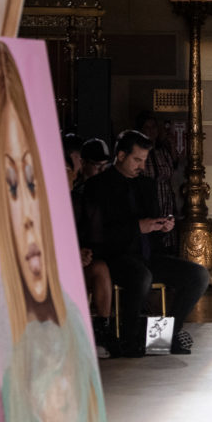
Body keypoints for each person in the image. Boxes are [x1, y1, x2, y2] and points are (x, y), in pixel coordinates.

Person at [0, 41, 114, 422]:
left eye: (31, 180)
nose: (26, 213)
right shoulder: (0, 308)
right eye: (10, 185)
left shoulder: (65, 313)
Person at [80, 129, 209, 356]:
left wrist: (162, 227)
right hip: (115, 257)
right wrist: (137, 227)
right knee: (141, 276)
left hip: (147, 256)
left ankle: (163, 337)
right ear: (120, 156)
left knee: (198, 275)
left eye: (144, 160)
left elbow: (152, 226)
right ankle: (130, 341)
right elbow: (97, 234)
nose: (141, 166)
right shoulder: (98, 186)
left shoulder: (146, 185)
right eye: (137, 160)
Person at [73, 138, 115, 358]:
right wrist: (76, 251)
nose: (100, 171)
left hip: (101, 254)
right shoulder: (76, 193)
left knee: (101, 268)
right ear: (83, 163)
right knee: (99, 269)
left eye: (104, 166)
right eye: (96, 166)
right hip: (74, 255)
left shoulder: (110, 192)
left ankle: (103, 330)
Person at [137, 111, 180, 253]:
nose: (151, 131)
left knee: (166, 238)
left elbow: (173, 167)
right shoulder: (139, 154)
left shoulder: (163, 152)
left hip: (165, 200)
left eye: (153, 127)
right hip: (147, 203)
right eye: (146, 127)